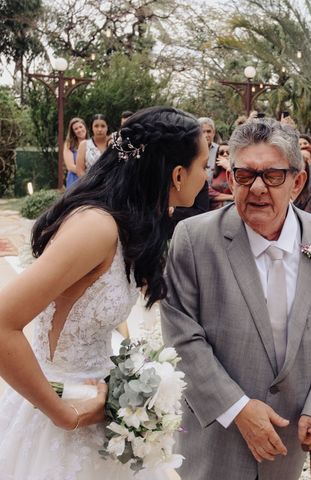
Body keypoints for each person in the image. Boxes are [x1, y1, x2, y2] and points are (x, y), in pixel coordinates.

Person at [0, 106, 208, 479]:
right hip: (62, 414)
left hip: (101, 411)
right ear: (178, 174)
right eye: (204, 164)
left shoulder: (128, 224)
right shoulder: (96, 227)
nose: (207, 175)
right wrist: (63, 414)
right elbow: (2, 323)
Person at [161, 118, 311, 480]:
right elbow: (181, 336)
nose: (256, 188)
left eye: (272, 176)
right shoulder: (193, 241)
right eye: (244, 175)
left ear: (297, 182)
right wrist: (237, 408)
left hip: (288, 445)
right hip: (214, 444)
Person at [63, 117, 88, 189]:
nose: (79, 130)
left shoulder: (92, 143)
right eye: (76, 129)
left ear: (85, 127)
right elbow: (70, 166)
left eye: (81, 127)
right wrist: (87, 176)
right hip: (74, 181)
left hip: (91, 182)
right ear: (73, 132)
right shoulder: (69, 145)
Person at [208, 141, 233, 210]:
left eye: (228, 153)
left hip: (232, 210)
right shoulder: (212, 173)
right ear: (217, 156)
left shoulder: (236, 172)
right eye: (221, 153)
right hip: (213, 211)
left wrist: (229, 168)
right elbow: (209, 193)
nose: (225, 155)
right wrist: (232, 197)